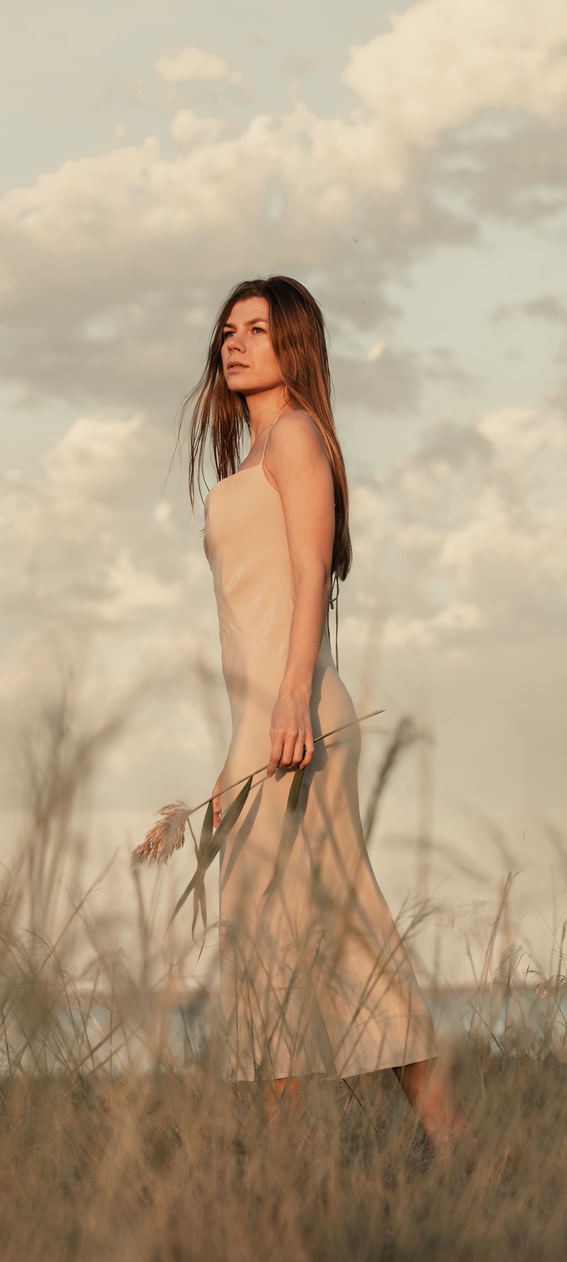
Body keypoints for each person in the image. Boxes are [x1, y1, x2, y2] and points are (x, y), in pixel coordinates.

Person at [186, 276, 467, 1153]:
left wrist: (295, 698)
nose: (234, 343)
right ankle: (456, 1146)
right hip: (267, 720)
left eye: (256, 330)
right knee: (331, 935)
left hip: (297, 713)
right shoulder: (253, 453)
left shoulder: (297, 437)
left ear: (292, 344)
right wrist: (246, 735)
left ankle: (282, 1174)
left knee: (273, 939)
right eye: (228, 330)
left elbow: (311, 575)